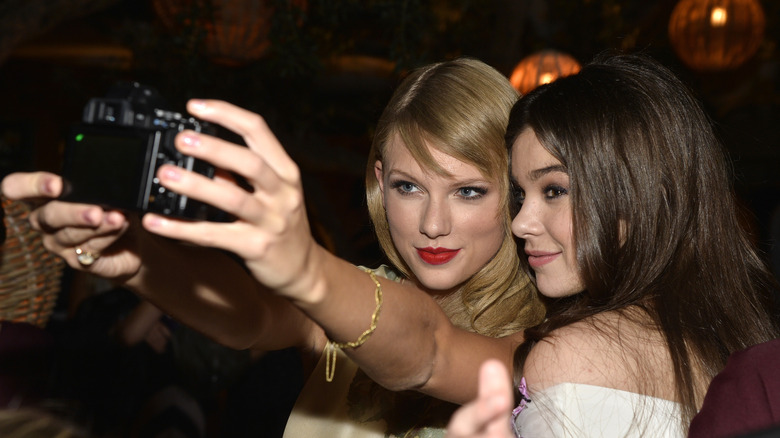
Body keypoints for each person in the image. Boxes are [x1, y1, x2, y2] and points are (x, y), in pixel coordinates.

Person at [1, 58, 545, 436]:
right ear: (380, 182)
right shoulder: (353, 295)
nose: (433, 224)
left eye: (469, 191)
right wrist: (136, 259)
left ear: (516, 191)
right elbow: (253, 318)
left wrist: (308, 269)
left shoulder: (551, 341)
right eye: (409, 187)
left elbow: (430, 349)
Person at [446, 52, 780, 437]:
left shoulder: (573, 356)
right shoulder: (736, 342)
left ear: (636, 195)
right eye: (521, 194)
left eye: (554, 190)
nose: (521, 223)